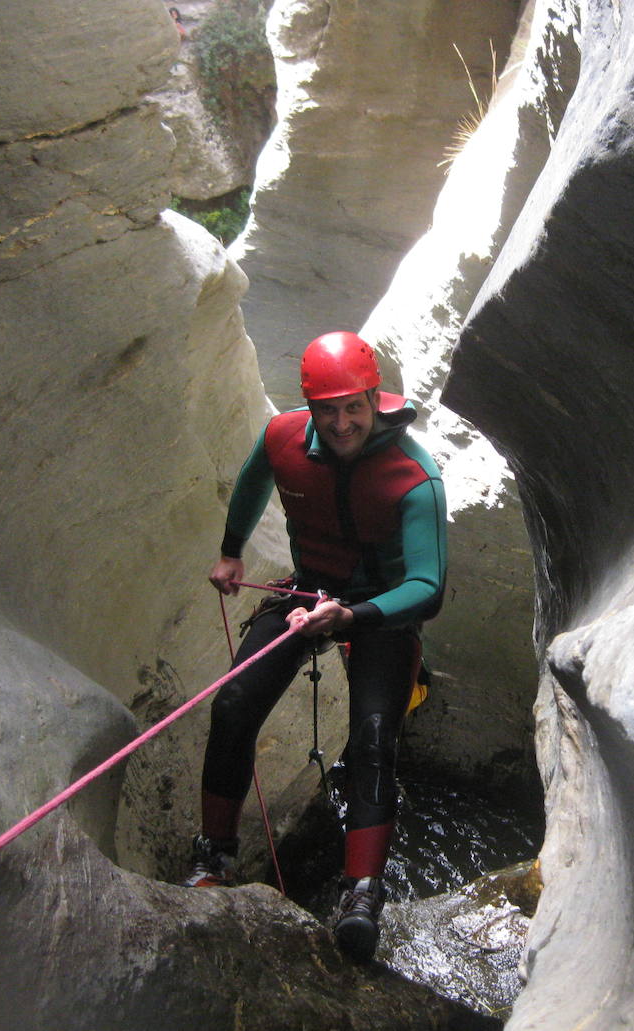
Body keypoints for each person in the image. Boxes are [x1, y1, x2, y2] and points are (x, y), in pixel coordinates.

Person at [187, 331, 448, 962]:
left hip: (379, 609)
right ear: (310, 405)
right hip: (307, 594)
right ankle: (214, 854)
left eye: (352, 407)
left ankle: (361, 892)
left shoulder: (414, 477)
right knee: (234, 704)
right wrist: (231, 551)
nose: (340, 422)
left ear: (373, 400)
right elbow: (254, 481)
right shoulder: (283, 437)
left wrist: (352, 616)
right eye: (327, 409)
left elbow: (428, 588)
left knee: (373, 738)